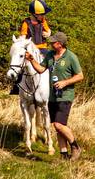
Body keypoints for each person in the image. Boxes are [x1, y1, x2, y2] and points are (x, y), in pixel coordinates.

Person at [26, 30, 84, 159]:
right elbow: (41, 69)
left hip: (65, 96)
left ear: (60, 44)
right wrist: (31, 60)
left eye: (53, 42)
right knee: (57, 126)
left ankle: (75, 146)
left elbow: (80, 76)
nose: (51, 43)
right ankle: (64, 154)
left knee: (59, 125)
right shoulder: (50, 55)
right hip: (52, 96)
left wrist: (65, 82)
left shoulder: (71, 57)